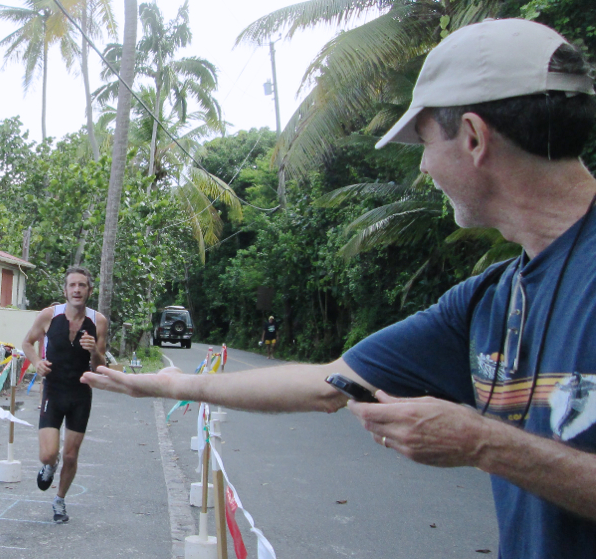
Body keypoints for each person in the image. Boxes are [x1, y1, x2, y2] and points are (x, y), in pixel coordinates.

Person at [82, 19, 596, 558]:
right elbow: (327, 384)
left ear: (473, 137)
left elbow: (488, 445)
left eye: (424, 142)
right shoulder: (490, 299)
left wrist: (484, 443)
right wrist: (168, 385)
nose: (423, 167)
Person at [23, 266, 107, 523]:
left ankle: (59, 500)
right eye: (73, 285)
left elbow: (100, 365)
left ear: (89, 290)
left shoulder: (98, 321)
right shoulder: (49, 316)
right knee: (48, 453)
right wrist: (37, 362)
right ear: (65, 290)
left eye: (82, 285)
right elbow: (27, 342)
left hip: (81, 392)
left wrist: (93, 351)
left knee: (72, 454)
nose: (77, 290)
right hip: (54, 390)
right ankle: (50, 464)